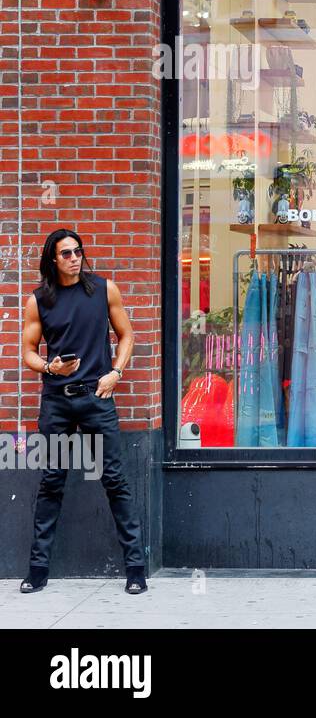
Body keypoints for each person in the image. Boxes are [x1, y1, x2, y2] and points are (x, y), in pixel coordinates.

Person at [18, 229, 146, 595]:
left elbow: (127, 335)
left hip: (97, 398)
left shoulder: (104, 289)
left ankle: (135, 569)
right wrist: (47, 367)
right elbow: (27, 350)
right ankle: (38, 571)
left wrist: (116, 373)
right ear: (53, 260)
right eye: (66, 253)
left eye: (77, 251)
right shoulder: (39, 299)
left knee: (115, 481)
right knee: (51, 482)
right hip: (57, 401)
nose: (74, 258)